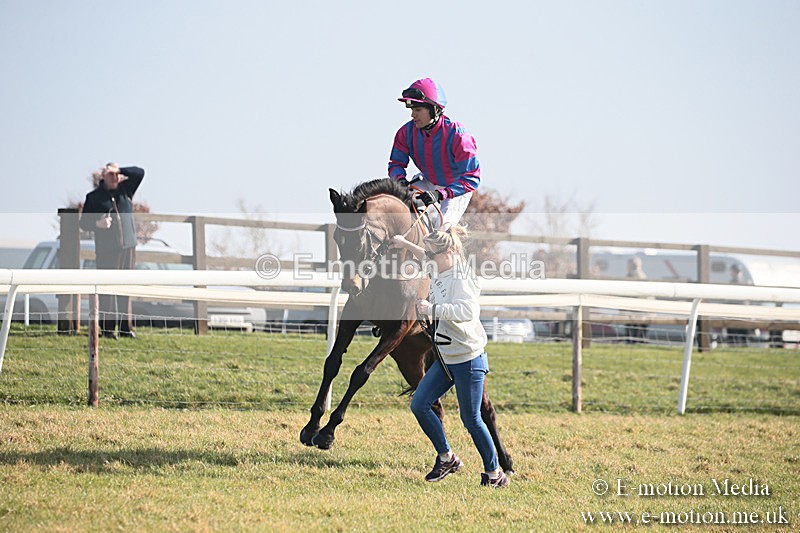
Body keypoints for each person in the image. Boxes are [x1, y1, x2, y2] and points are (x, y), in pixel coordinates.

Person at [389, 226, 509, 488]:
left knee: (471, 419)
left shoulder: (462, 277)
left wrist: (432, 309)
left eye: (433, 255)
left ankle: (495, 474)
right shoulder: (439, 266)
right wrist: (404, 244)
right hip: (446, 357)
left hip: (468, 358)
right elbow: (423, 254)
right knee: (419, 404)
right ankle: (447, 458)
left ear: (449, 252)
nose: (428, 259)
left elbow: (467, 311)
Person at [389, 78, 480, 228]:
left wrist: (440, 194)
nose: (413, 115)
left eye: (418, 110)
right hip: (427, 181)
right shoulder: (405, 132)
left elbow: (472, 178)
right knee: (397, 205)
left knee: (442, 228)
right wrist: (400, 180)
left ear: (435, 110)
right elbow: (396, 164)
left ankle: (446, 240)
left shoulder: (458, 136)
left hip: (456, 188)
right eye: (412, 110)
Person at [79, 163, 145, 339]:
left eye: (116, 174)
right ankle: (108, 330)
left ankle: (125, 329)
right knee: (107, 290)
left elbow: (140, 172)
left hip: (128, 248)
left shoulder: (126, 191)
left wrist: (120, 169)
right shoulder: (94, 197)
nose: (114, 177)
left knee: (125, 288)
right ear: (103, 176)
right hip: (107, 251)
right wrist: (98, 224)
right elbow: (83, 223)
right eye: (110, 174)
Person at [625, 257, 648, 343]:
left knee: (632, 331)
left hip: (633, 310)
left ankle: (631, 342)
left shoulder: (630, 276)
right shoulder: (644, 276)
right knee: (642, 332)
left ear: (630, 266)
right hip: (645, 310)